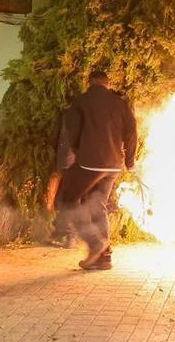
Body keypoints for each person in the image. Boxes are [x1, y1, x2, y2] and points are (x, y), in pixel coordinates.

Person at [56, 69, 138, 271]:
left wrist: (67, 159)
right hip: (113, 165)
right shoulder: (120, 103)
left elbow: (71, 131)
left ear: (90, 82)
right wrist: (129, 161)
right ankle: (104, 258)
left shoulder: (82, 101)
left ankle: (94, 242)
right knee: (98, 205)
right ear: (107, 83)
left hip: (89, 163)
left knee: (67, 199)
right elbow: (132, 130)